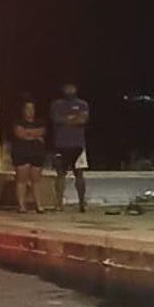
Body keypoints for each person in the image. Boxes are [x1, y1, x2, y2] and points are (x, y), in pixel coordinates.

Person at [50, 82, 90, 212]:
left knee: (79, 174)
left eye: (72, 87)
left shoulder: (82, 104)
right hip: (61, 144)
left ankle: (82, 203)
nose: (69, 90)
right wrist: (73, 119)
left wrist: (67, 120)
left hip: (78, 145)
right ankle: (59, 203)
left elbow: (82, 120)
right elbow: (57, 119)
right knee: (60, 174)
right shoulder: (56, 104)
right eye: (67, 87)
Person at [11, 100, 48, 213]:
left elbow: (40, 132)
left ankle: (39, 205)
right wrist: (33, 135)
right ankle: (22, 206)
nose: (30, 111)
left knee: (36, 180)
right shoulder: (17, 122)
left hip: (36, 153)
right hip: (21, 153)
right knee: (21, 179)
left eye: (32, 109)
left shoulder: (40, 122)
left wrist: (28, 133)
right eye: (27, 108)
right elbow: (20, 133)